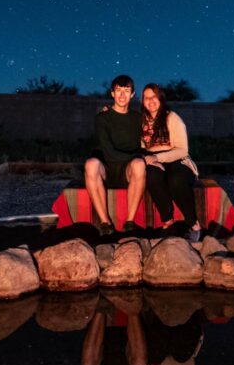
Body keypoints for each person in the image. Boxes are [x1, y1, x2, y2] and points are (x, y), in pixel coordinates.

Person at [84, 74, 146, 235]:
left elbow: (147, 143)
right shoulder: (102, 118)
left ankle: (130, 222)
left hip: (127, 170)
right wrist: (136, 156)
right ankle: (105, 222)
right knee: (91, 164)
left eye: (127, 91)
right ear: (112, 93)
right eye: (118, 90)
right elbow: (108, 151)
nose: (122, 95)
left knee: (139, 164)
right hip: (106, 168)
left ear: (132, 95)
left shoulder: (138, 118)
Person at [141, 83, 201, 241]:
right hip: (153, 159)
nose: (150, 101)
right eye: (146, 98)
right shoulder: (141, 121)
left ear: (160, 98)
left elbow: (182, 150)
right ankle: (168, 221)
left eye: (154, 97)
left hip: (177, 159)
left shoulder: (172, 117)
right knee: (152, 175)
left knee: (176, 179)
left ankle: (193, 223)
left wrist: (158, 157)